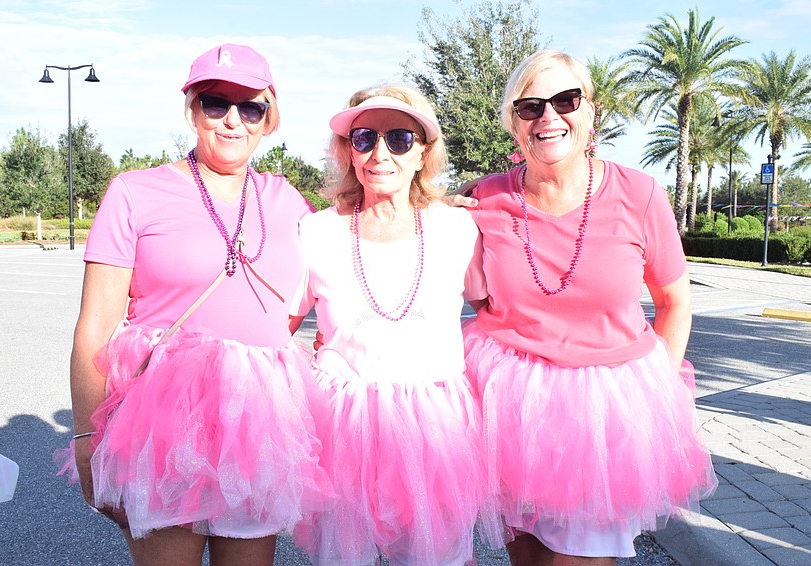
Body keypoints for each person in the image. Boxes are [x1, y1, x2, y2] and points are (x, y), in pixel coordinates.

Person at [57, 44, 329, 565]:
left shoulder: (288, 200)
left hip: (258, 427)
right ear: (191, 108)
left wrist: (452, 202)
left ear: (269, 118)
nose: (233, 120)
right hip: (164, 427)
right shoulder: (134, 193)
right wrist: (87, 438)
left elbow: (350, 244)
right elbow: (94, 328)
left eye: (250, 107)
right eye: (215, 103)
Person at [461, 49, 718, 565]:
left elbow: (674, 300)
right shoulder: (481, 200)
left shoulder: (639, 193)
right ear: (514, 124)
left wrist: (657, 399)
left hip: (604, 415)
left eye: (566, 100)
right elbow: (467, 291)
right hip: (510, 406)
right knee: (528, 559)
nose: (549, 117)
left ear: (591, 111)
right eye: (531, 106)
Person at [290, 85, 495, 566]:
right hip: (343, 430)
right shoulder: (315, 232)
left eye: (400, 138)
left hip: (435, 430)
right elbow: (276, 326)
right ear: (348, 151)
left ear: (423, 151)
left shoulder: (459, 229)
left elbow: (497, 314)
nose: (380, 153)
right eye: (364, 138)